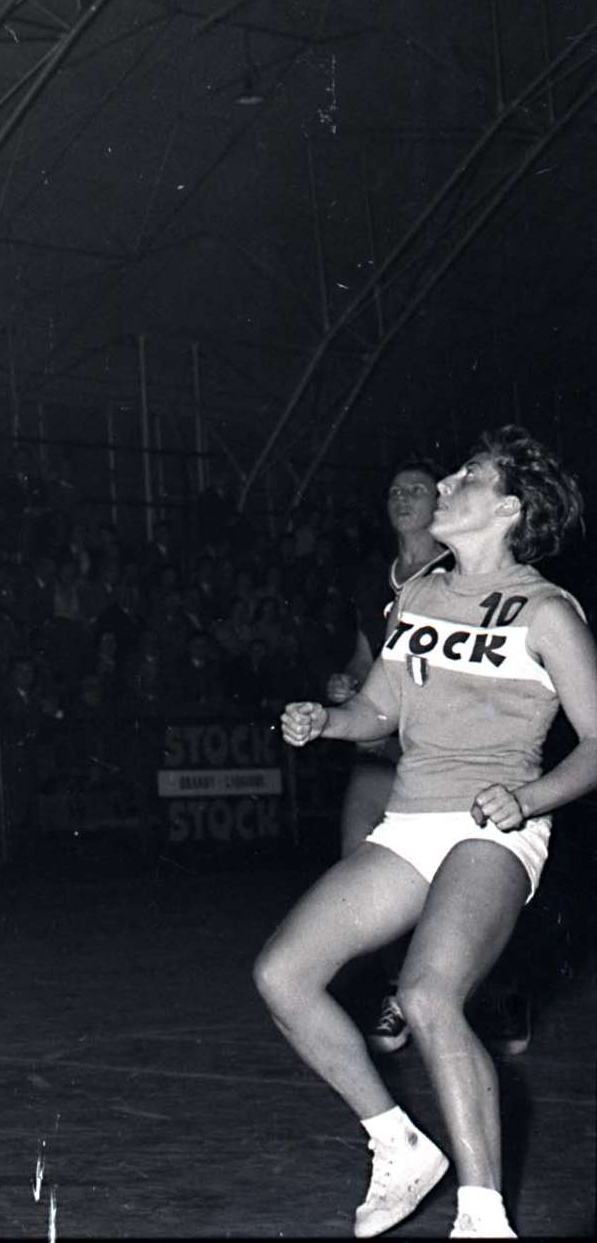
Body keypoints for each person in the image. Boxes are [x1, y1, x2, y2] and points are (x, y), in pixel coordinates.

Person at [255, 428, 595, 1241]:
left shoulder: (547, 611)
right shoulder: (418, 595)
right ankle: (398, 1145)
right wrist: (327, 720)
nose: (446, 483)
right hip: (410, 820)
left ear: (509, 508)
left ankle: (483, 1217)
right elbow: (379, 709)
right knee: (283, 973)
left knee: (428, 993)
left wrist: (527, 797)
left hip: (493, 825)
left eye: (468, 476)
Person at [324, 460, 452, 1056]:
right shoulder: (371, 580)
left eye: (417, 490)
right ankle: (400, 991)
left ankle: (475, 989)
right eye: (395, 491)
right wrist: (346, 683)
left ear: (439, 503)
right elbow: (363, 657)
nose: (404, 498)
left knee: (447, 886)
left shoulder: (456, 573)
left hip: (436, 752)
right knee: (359, 873)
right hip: (379, 747)